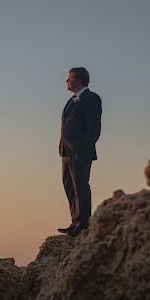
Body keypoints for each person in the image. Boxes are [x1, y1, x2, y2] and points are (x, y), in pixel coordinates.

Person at [58, 67, 102, 236]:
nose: (66, 81)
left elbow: (94, 127)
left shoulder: (91, 98)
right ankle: (75, 221)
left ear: (79, 80)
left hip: (80, 152)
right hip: (66, 152)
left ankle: (84, 223)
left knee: (81, 187)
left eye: (69, 78)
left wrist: (82, 149)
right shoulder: (71, 100)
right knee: (69, 186)